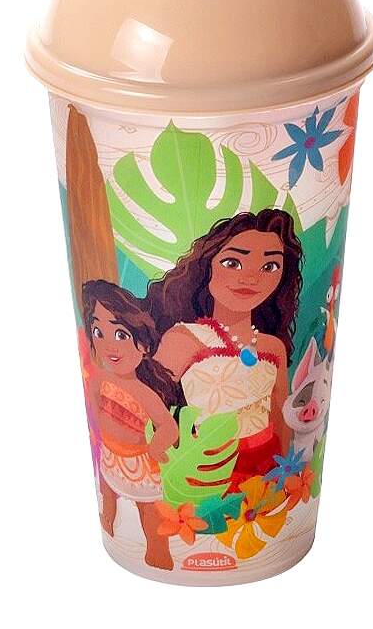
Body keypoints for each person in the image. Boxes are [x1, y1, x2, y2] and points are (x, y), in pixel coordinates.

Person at [148, 210, 300, 488]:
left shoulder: (272, 347)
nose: (251, 278)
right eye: (233, 262)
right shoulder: (185, 339)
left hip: (266, 469)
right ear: (208, 267)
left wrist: (284, 474)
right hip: (209, 469)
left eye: (269, 266)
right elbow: (148, 405)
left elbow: (280, 416)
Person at [81, 280, 180, 570]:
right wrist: (98, 433)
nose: (109, 345)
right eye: (98, 332)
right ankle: (110, 525)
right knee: (107, 495)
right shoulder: (100, 379)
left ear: (145, 346)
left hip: (140, 462)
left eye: (121, 334)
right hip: (109, 455)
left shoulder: (143, 393)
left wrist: (157, 446)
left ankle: (158, 552)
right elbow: (93, 404)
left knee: (151, 511)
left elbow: (168, 426)